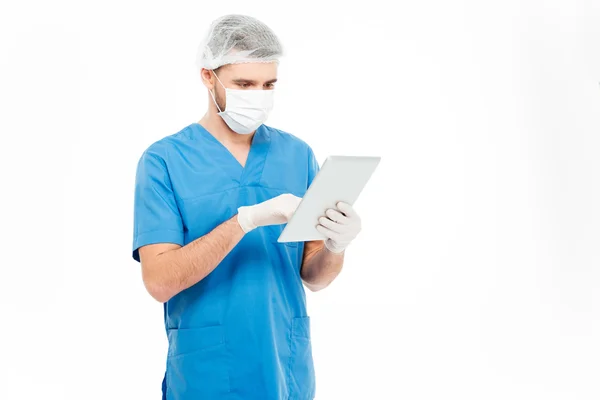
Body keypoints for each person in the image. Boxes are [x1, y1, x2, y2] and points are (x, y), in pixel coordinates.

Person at [132, 14, 363, 400]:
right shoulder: (164, 161)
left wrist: (337, 246)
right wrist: (245, 220)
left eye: (268, 84)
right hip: (207, 371)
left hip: (285, 367)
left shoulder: (296, 154)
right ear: (209, 76)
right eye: (244, 84)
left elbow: (314, 276)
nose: (258, 95)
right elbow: (159, 282)